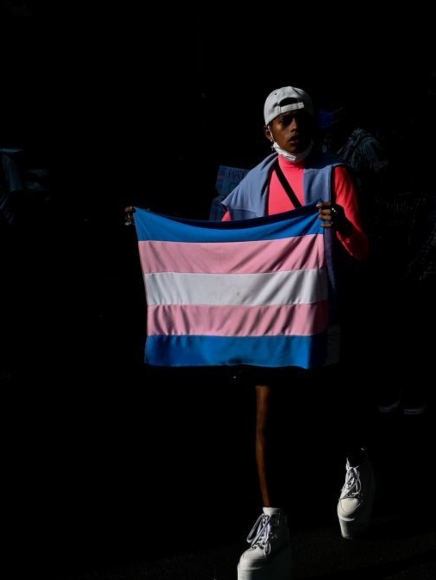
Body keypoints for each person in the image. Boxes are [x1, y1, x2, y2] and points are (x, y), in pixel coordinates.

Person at [127, 86, 374, 580]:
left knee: (329, 405)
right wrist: (153, 225)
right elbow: (218, 246)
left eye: (302, 116)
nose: (295, 126)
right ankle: (273, 524)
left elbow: (363, 249)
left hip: (321, 311)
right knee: (266, 417)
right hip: (269, 318)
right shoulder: (247, 188)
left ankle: (356, 462)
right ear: (268, 132)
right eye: (285, 120)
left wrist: (343, 227)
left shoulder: (335, 174)